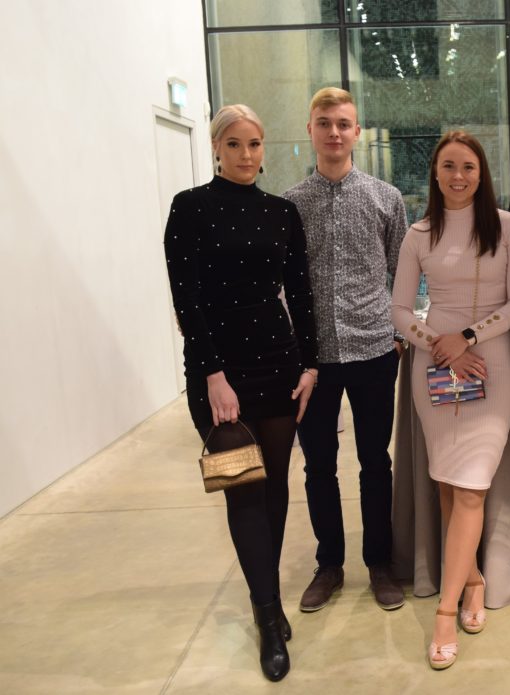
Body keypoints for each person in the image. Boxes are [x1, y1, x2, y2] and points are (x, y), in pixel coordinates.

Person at [164, 104, 319, 682]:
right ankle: (268, 616)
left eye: (254, 143)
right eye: (234, 144)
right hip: (220, 371)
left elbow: (299, 292)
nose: (246, 154)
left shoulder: (282, 212)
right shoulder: (189, 207)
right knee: (242, 489)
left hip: (277, 364)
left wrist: (310, 363)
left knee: (274, 488)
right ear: (216, 148)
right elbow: (187, 299)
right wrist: (213, 375)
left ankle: (265, 598)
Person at [391, 130, 510, 669]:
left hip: (490, 363)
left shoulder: (507, 226)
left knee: (471, 487)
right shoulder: (419, 233)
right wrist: (437, 344)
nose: (458, 175)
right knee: (449, 485)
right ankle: (471, 581)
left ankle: (444, 612)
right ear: (435, 172)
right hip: (434, 365)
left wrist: (467, 338)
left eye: (468, 166)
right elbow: (400, 309)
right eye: (449, 165)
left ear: (481, 173)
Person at [282, 88, 408, 613]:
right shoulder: (289, 204)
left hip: (374, 349)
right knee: (318, 466)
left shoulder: (386, 198)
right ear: (310, 130)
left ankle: (379, 562)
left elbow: (403, 272)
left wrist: (401, 334)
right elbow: (281, 283)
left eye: (343, 123)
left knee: (376, 462)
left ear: (357, 131)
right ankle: (329, 565)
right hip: (313, 357)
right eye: (324, 122)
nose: (334, 132)